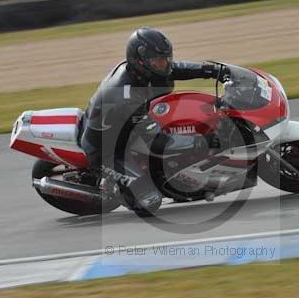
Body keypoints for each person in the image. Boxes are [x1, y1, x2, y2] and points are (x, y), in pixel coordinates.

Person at [81, 27, 224, 215]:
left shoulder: (146, 72)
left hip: (129, 128)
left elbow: (176, 69)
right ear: (141, 61)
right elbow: (155, 140)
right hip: (108, 148)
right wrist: (202, 141)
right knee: (150, 202)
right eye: (159, 61)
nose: (165, 65)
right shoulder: (126, 96)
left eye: (166, 59)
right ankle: (122, 190)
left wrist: (213, 71)